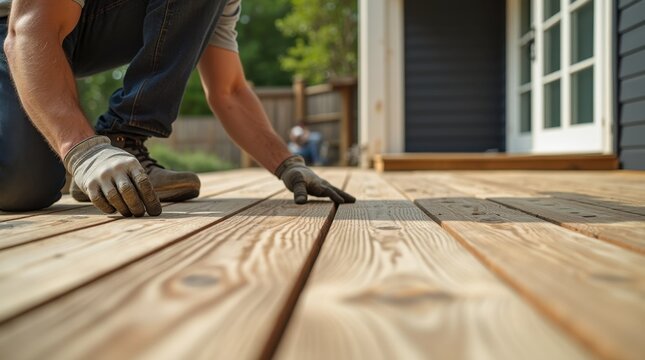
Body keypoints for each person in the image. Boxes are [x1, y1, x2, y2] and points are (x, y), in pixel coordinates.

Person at [0, 0, 355, 217]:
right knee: (25, 186)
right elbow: (27, 32)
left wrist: (287, 164)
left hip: (68, 36)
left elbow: (229, 89)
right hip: (12, 30)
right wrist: (82, 150)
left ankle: (125, 139)